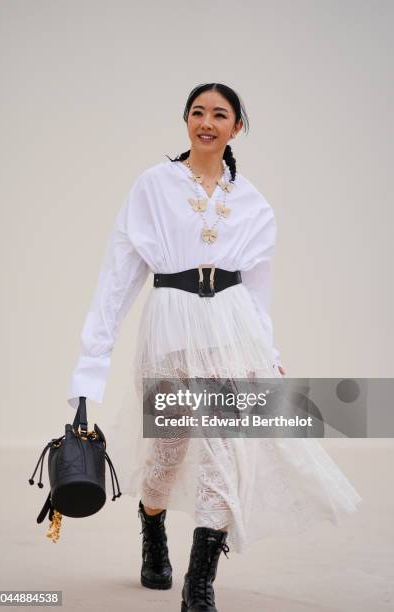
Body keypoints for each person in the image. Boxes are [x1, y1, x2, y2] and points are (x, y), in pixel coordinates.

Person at [67, 83, 362, 612]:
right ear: (185, 120)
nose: (207, 122)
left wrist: (267, 352)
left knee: (225, 449)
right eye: (198, 112)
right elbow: (118, 276)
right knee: (171, 445)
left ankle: (199, 580)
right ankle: (152, 527)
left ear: (236, 126)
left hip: (231, 327)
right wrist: (90, 368)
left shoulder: (252, 201)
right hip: (171, 325)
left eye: (219, 114)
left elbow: (259, 285)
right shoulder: (153, 186)